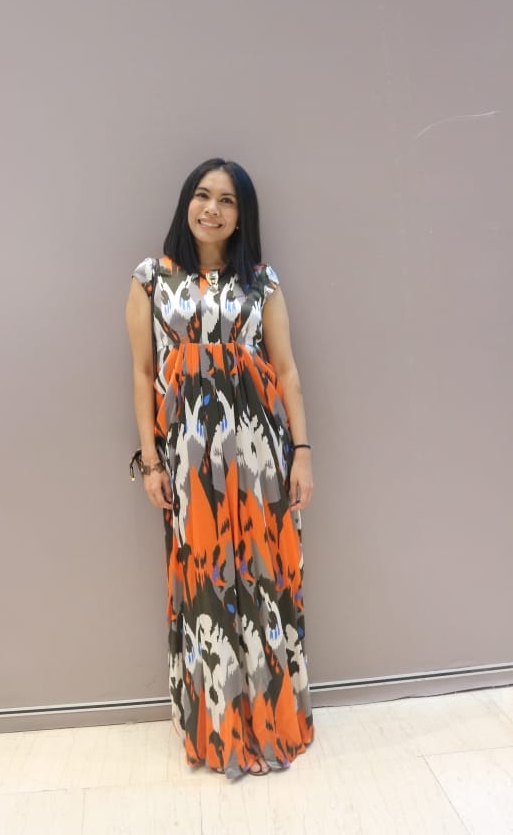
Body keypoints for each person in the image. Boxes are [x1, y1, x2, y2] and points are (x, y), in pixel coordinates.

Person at [125, 157, 315, 779]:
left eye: (227, 200)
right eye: (203, 195)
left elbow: (286, 371)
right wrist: (150, 462)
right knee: (204, 588)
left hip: (261, 459)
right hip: (188, 464)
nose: (212, 208)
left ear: (241, 216)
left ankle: (269, 723)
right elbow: (143, 374)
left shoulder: (261, 282)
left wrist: (302, 454)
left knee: (264, 583)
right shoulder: (151, 280)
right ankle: (217, 731)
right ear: (187, 202)